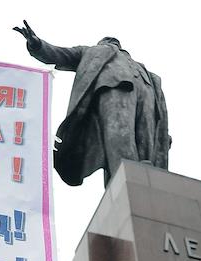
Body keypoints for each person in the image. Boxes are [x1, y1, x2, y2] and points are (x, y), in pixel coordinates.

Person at [13, 21, 170, 187]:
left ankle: (148, 176)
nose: (112, 40)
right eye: (107, 39)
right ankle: (125, 177)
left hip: (146, 93)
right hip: (112, 87)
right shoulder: (92, 52)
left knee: (146, 138)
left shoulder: (142, 68)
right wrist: (37, 44)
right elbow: (60, 55)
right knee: (119, 134)